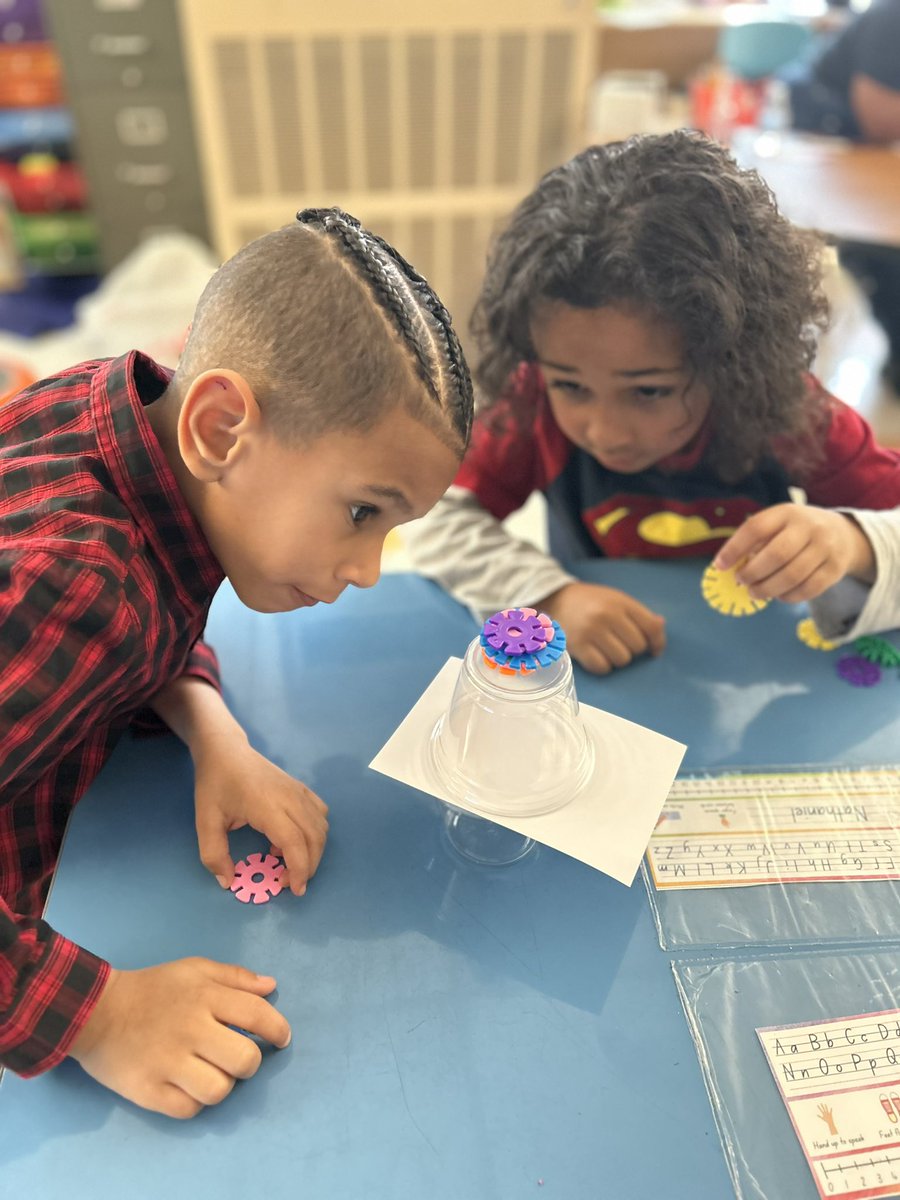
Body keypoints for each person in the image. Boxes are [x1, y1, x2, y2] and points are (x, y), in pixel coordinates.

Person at [0, 208, 474, 1117]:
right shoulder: (78, 586)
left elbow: (156, 604)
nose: (367, 572)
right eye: (363, 514)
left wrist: (214, 733)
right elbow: (100, 604)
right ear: (221, 427)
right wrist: (99, 1017)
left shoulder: (128, 416)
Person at [404, 130, 900, 676]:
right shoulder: (532, 401)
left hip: (756, 673)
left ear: (731, 357)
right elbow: (436, 517)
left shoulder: (789, 411)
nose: (606, 430)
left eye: (648, 391)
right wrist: (547, 597)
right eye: (571, 385)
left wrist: (853, 542)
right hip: (605, 678)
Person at [787, 0, 900, 391]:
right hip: (831, 151)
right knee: (883, 252)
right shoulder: (892, 18)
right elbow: (879, 119)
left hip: (871, 155)